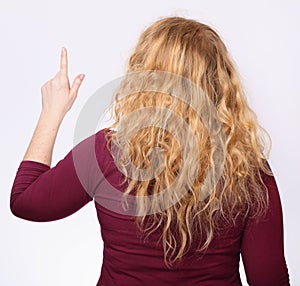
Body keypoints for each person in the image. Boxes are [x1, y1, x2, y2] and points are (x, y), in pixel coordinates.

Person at [10, 16, 290, 285]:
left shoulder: (106, 153)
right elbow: (268, 279)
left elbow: (25, 201)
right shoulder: (248, 170)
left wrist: (52, 112)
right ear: (221, 83)